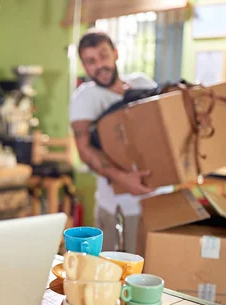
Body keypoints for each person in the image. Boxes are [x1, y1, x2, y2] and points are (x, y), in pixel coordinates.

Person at [70, 29, 167, 254]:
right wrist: (125, 179)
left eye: (103, 56)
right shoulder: (85, 98)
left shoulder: (143, 83)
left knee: (159, 272)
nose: (99, 65)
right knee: (121, 274)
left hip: (162, 199)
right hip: (120, 206)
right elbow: (84, 150)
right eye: (91, 61)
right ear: (84, 66)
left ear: (115, 54)